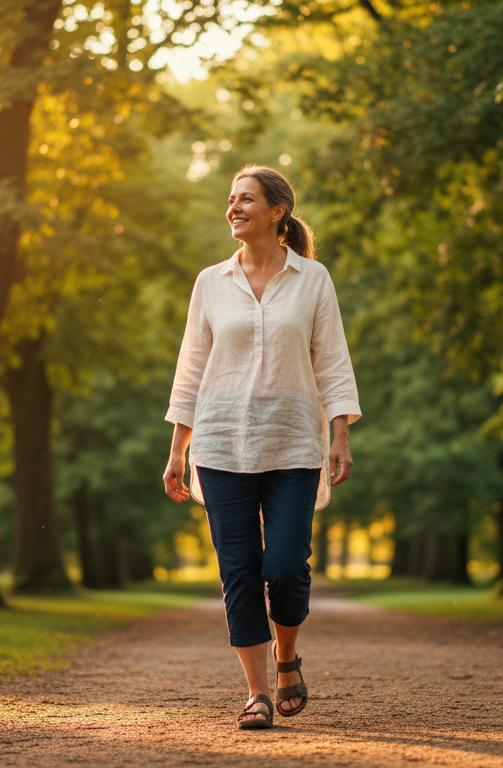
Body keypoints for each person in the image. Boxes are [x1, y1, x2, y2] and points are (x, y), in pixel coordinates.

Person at [162, 164, 361, 730]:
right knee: (240, 572)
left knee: (287, 568)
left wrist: (340, 432)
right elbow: (190, 368)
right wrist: (178, 450)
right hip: (221, 444)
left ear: (278, 212)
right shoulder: (210, 282)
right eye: (230, 199)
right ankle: (256, 694)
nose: (234, 207)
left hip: (296, 444)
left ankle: (286, 657)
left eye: (246, 199)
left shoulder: (313, 279)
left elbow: (332, 359)